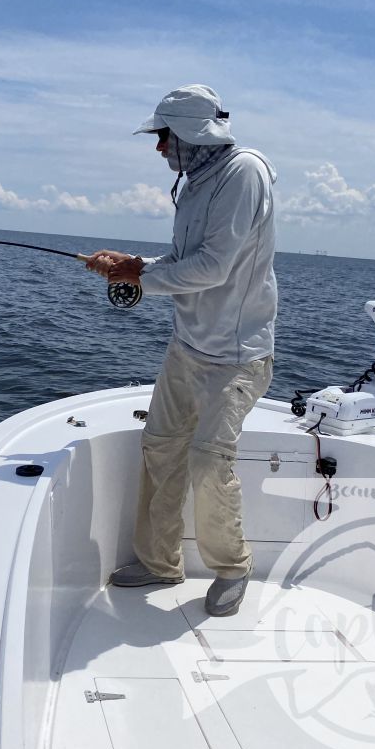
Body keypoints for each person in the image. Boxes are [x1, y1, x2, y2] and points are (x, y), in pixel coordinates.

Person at [86, 84, 278, 617]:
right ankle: (158, 562)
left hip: (236, 355)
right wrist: (134, 264)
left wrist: (138, 276)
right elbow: (181, 258)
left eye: (163, 136)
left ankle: (233, 567)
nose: (158, 148)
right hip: (188, 345)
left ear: (191, 133)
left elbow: (214, 268)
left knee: (208, 461)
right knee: (161, 446)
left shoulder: (243, 172)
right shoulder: (195, 182)